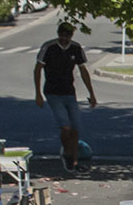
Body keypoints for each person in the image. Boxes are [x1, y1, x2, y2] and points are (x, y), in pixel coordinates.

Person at [34, 22, 97, 173]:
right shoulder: (49, 47)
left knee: (75, 128)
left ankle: (75, 160)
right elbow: (38, 69)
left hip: (69, 91)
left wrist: (91, 93)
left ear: (71, 36)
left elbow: (83, 71)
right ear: (58, 34)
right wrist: (38, 93)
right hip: (52, 92)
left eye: (67, 36)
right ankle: (67, 154)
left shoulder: (75, 48)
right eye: (62, 35)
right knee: (65, 126)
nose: (64, 38)